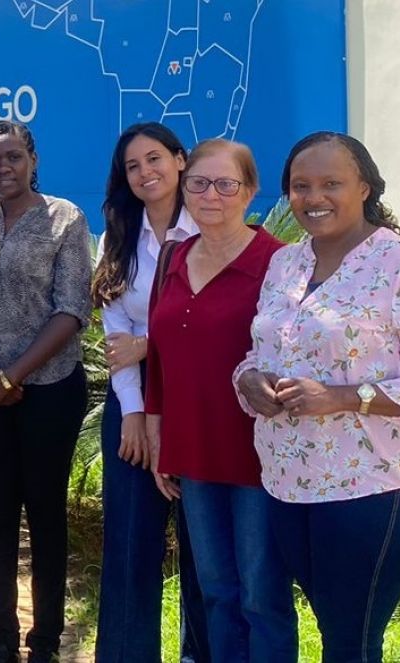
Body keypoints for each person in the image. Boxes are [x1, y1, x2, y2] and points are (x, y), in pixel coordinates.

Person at [234, 132, 400, 662]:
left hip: (374, 488)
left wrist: (344, 396)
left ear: (365, 187)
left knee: (350, 641)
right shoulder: (285, 264)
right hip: (288, 486)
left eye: (331, 183)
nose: (315, 197)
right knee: (337, 631)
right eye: (301, 186)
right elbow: (258, 352)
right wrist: (248, 381)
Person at [0, 120, 92, 663]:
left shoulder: (65, 218)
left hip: (49, 390)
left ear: (32, 158)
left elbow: (72, 308)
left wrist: (13, 377)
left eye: (13, 157)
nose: (4, 168)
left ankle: (45, 639)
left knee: (45, 514)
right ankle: (2, 638)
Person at [144, 139, 297, 662]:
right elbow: (160, 356)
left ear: (250, 191)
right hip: (194, 453)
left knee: (261, 596)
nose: (211, 194)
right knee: (216, 591)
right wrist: (158, 427)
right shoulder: (175, 255)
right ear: (184, 187)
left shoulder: (278, 263)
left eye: (226, 184)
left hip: (257, 456)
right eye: (199, 183)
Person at [91, 122, 209, 662]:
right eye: (133, 166)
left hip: (203, 410)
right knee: (131, 547)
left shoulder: (212, 224)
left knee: (204, 550)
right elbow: (117, 342)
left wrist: (148, 344)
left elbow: (214, 326)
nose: (146, 172)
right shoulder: (118, 233)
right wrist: (135, 413)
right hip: (133, 408)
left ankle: (201, 654)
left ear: (182, 161)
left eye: (155, 158)